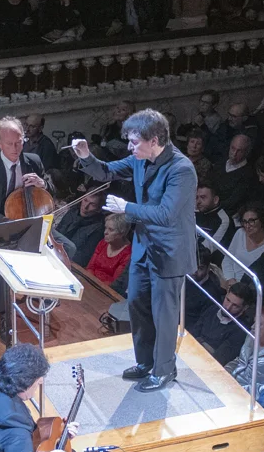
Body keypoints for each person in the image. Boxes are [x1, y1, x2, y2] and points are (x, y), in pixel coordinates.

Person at [71, 109, 196, 392]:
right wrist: (85, 157)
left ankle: (164, 370)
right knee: (137, 304)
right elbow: (106, 171)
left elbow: (166, 214)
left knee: (164, 314)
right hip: (143, 247)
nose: (130, 147)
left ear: (154, 140)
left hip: (169, 252)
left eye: (135, 142)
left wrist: (126, 208)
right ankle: (145, 362)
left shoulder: (182, 169)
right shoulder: (140, 159)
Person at [0, 115, 52, 343]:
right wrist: (17, 226)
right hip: (1, 227)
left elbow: (49, 196)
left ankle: (42, 300)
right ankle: (5, 317)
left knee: (69, 248)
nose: (16, 148)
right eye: (10, 144)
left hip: (33, 222)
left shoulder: (34, 161)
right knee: (0, 267)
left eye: (20, 142)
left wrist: (43, 184)